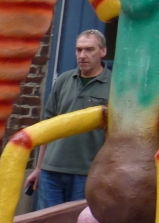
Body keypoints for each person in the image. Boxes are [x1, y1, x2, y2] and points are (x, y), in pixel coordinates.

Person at [24, 30, 111, 209]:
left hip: (87, 172)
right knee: (48, 222)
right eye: (79, 50)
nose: (82, 55)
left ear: (103, 51)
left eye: (89, 49)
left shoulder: (114, 84)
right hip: (51, 171)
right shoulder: (64, 80)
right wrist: (39, 167)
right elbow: (47, 125)